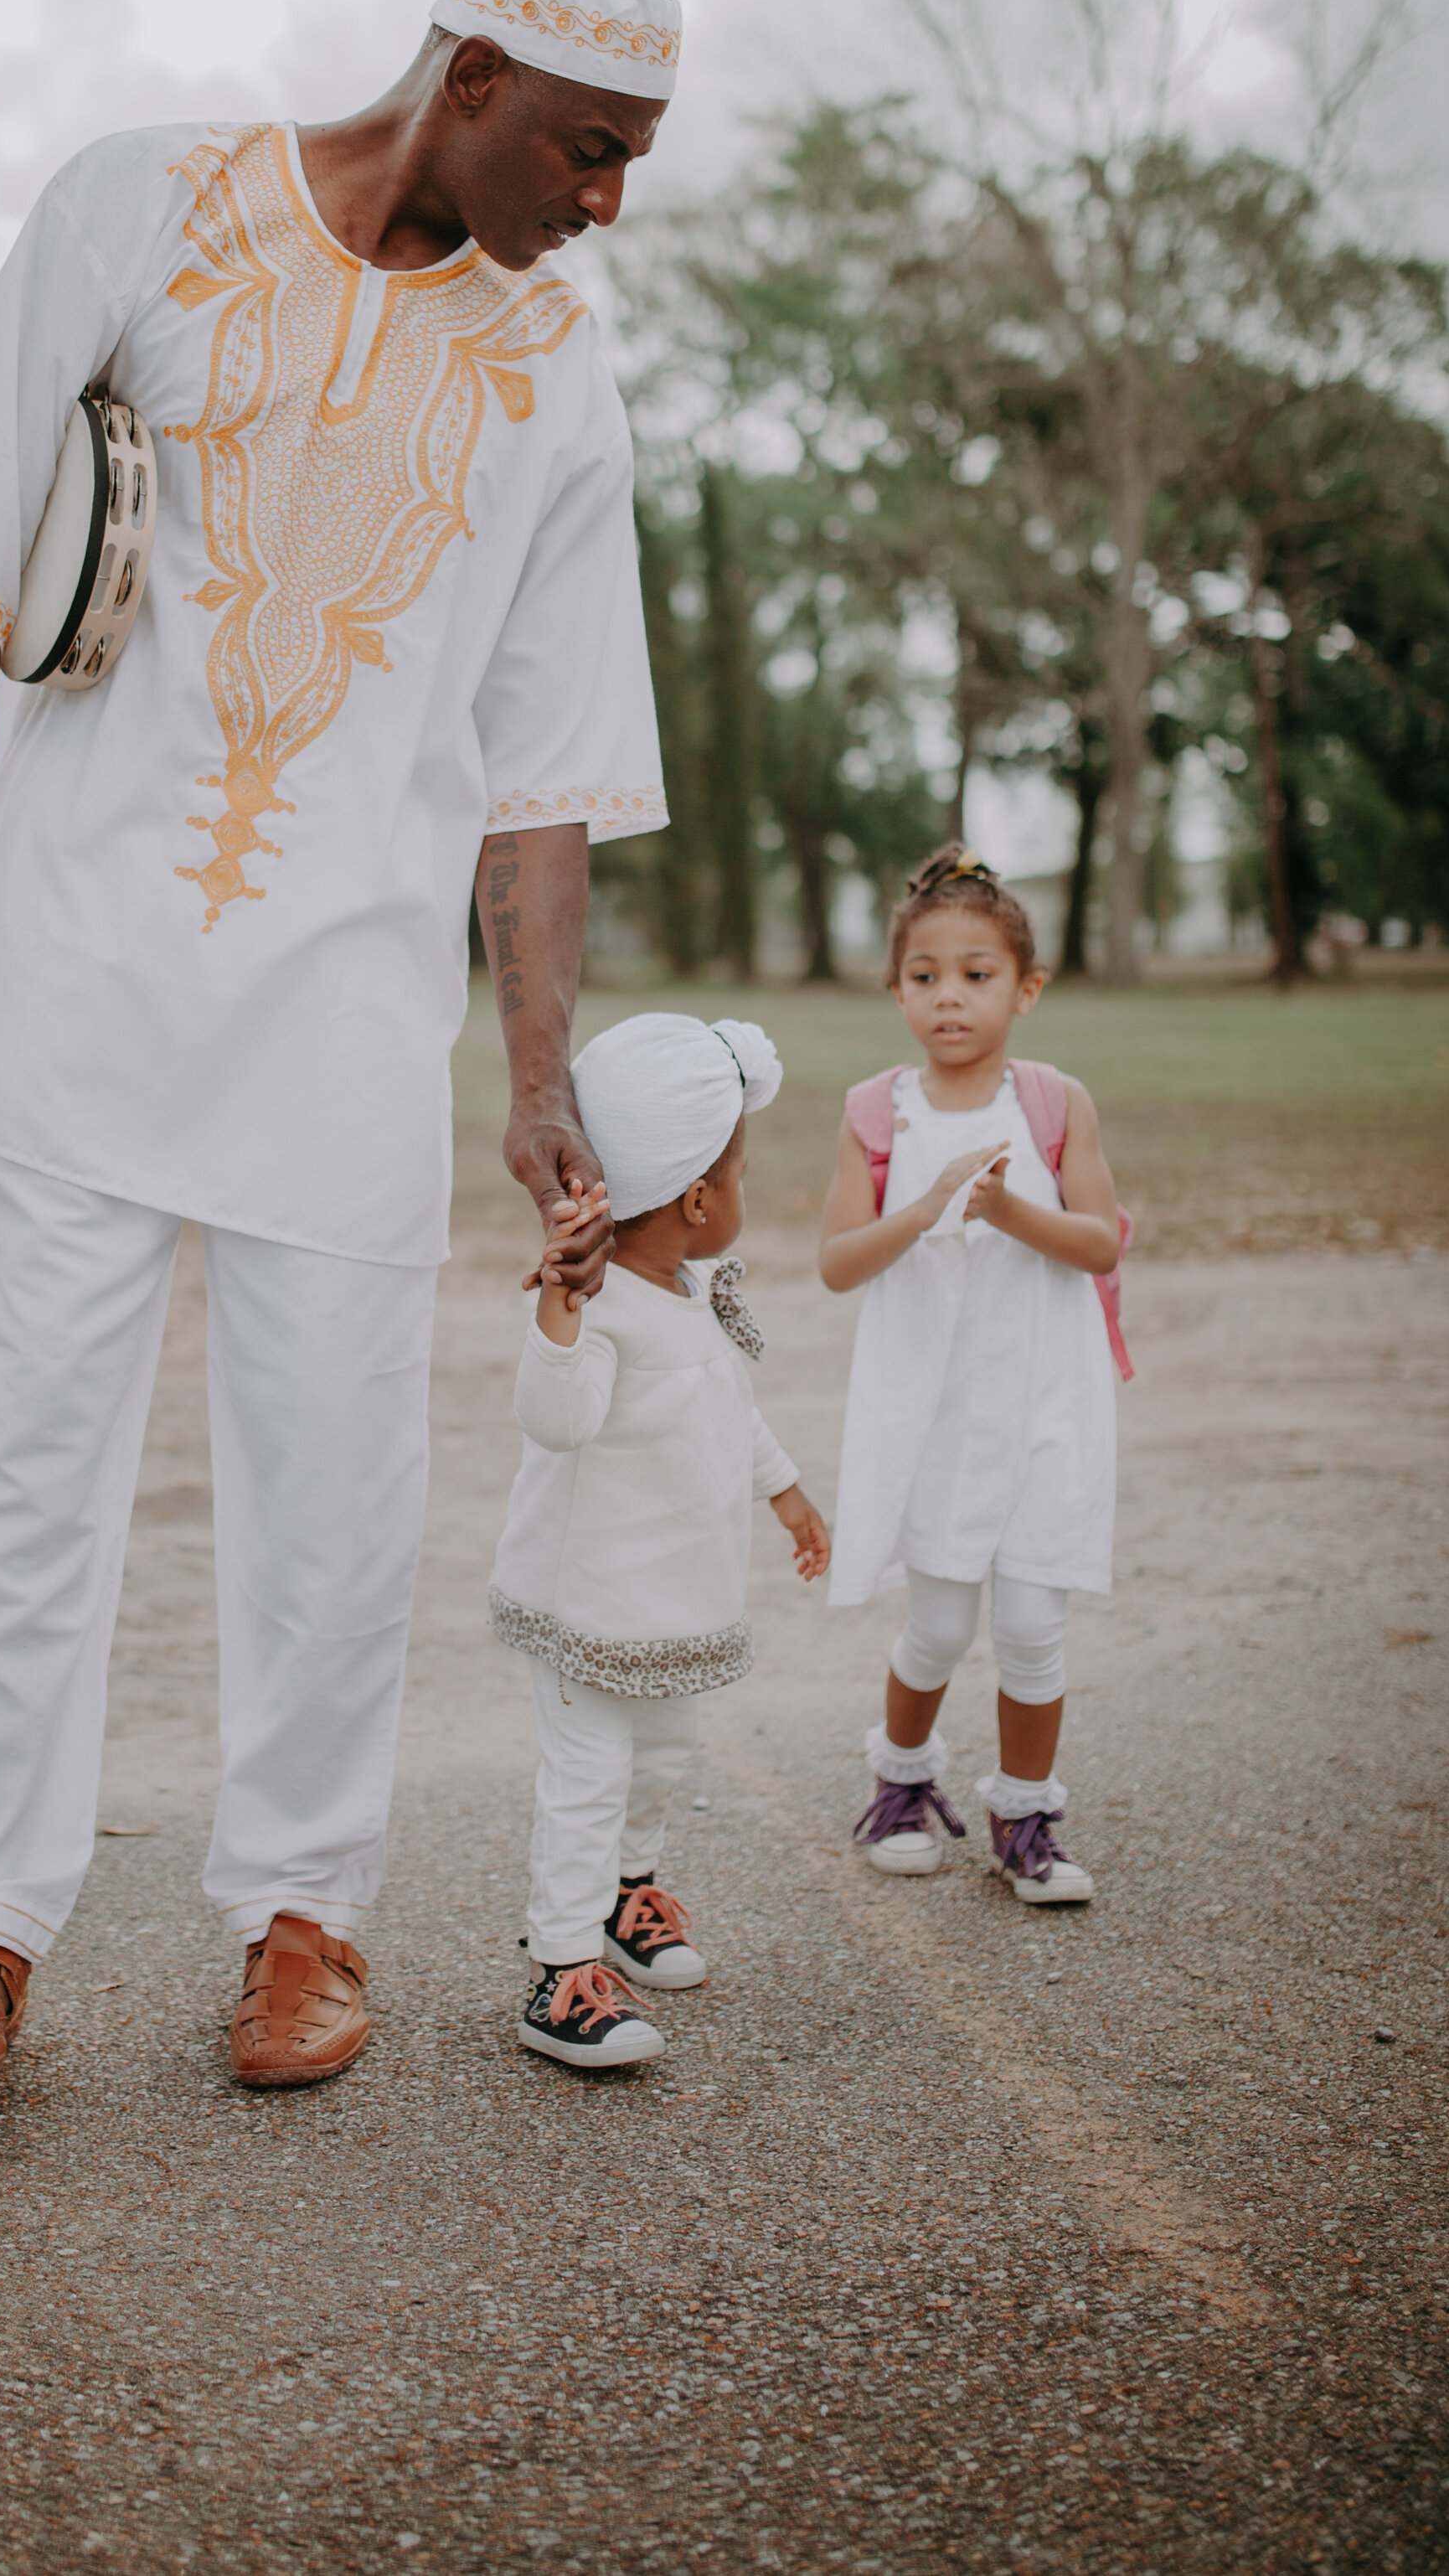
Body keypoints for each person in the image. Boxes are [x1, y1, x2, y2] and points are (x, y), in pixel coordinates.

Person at [0, 0, 680, 2090]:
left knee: (333, 1488)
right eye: (586, 144)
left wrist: (540, 1070)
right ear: (466, 77)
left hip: (350, 1027)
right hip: (74, 975)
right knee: (19, 1473)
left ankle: (302, 1916)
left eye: (632, 156)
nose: (605, 200)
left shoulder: (557, 361)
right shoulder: (138, 198)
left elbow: (545, 768)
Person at [491, 1013, 830, 2070]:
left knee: (663, 1757)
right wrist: (556, 1310)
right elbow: (555, 1420)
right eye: (737, 1174)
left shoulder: (689, 1292)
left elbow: (729, 1413)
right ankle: (558, 1969)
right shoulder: (601, 1307)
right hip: (588, 1601)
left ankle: (626, 1898)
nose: (741, 1194)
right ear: (695, 1198)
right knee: (587, 1775)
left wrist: (784, 1493)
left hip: (673, 1599)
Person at [818, 849, 1125, 1906]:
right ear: (896, 986)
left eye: (977, 974)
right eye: (924, 975)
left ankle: (1026, 1816)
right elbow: (835, 1263)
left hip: (1044, 1397)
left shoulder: (1052, 1100)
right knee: (942, 1623)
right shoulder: (876, 1111)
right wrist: (931, 1202)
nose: (949, 995)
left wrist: (1007, 1210)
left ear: (1025, 989)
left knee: (1035, 1623)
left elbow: (1098, 1243)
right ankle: (900, 1783)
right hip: (935, 1408)